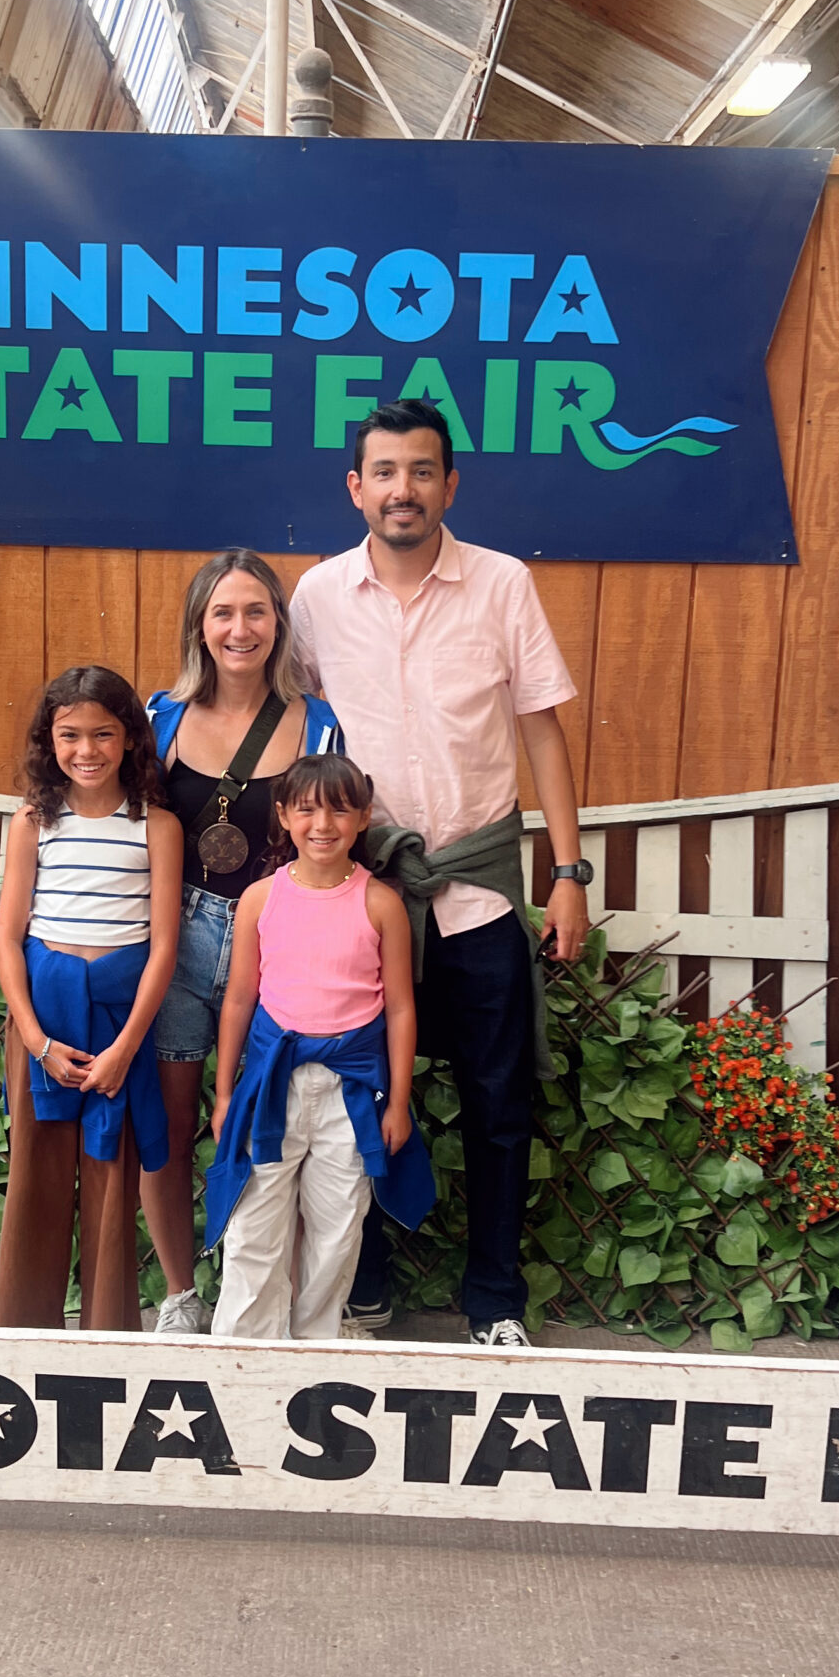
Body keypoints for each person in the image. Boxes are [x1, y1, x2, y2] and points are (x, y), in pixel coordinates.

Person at [288, 400, 593, 1350]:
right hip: (364, 895)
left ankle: (495, 1301)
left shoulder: (501, 585)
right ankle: (364, 1283)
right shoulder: (318, 597)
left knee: (499, 1104)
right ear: (356, 488)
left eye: (421, 471)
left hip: (478, 889)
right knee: (358, 1100)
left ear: (449, 485)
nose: (402, 489)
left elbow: (542, 724)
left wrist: (570, 870)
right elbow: (293, 728)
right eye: (384, 472)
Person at [142, 549, 343, 1337]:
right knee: (169, 1123)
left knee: (269, 1130)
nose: (240, 628)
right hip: (175, 945)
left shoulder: (319, 722)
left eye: (256, 611)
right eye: (223, 612)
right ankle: (179, 1294)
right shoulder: (161, 720)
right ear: (200, 624)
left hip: (278, 952)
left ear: (279, 624)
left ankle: (254, 1295)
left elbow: (332, 843)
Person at [205, 754, 434, 1343]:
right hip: (270, 1085)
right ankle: (242, 1349)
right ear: (282, 816)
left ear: (363, 818)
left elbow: (401, 1008)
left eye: (339, 809)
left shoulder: (380, 903)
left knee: (337, 1224)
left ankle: (315, 1346)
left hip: (351, 1088)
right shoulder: (261, 898)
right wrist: (226, 1092)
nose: (323, 824)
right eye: (306, 809)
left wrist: (398, 1102)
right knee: (256, 1221)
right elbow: (238, 1000)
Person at [0, 665, 182, 1332]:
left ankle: (109, 1335)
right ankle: (22, 1329)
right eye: (70, 735)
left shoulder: (156, 826)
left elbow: (163, 946)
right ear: (50, 739)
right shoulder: (31, 822)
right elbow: (8, 940)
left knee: (111, 1176)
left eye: (103, 733)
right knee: (35, 1178)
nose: (87, 750)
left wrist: (127, 1048)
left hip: (116, 1026)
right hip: (44, 1022)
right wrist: (36, 1041)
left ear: (131, 736)